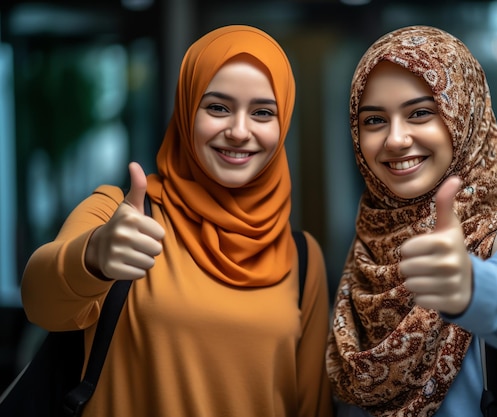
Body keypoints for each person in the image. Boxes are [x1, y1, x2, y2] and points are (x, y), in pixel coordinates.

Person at [21, 25, 334, 417]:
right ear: (187, 110)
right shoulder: (121, 216)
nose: (239, 131)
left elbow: (313, 407)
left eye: (262, 112)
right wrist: (95, 255)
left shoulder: (302, 258)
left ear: (283, 121)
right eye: (217, 107)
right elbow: (39, 301)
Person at [326, 25, 497, 417]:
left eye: (420, 113)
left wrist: (473, 289)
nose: (395, 139)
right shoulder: (368, 252)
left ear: (464, 116)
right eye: (374, 121)